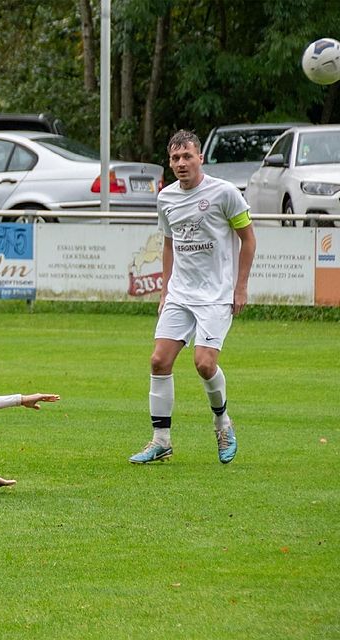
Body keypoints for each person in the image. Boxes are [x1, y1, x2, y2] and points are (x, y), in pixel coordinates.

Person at [129, 129, 256, 465]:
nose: (181, 163)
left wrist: (240, 287)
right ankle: (161, 441)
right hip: (180, 294)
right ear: (170, 163)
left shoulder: (225, 193)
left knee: (204, 364)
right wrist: (165, 289)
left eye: (187, 156)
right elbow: (169, 244)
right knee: (159, 361)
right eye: (175, 158)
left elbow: (249, 239)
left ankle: (223, 424)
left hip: (216, 295)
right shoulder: (166, 198)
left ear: (200, 157)